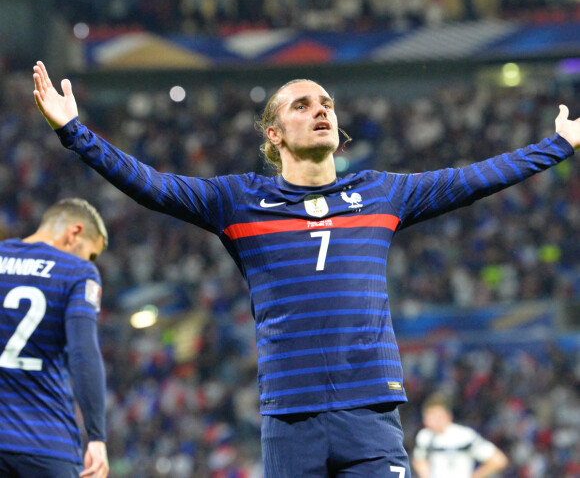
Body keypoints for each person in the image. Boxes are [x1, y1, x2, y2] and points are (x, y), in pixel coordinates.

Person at [32, 61, 580, 478]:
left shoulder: (382, 193)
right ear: (273, 134)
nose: (320, 109)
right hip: (291, 421)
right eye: (301, 106)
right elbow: (153, 185)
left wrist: (557, 146)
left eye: (326, 103)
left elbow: (473, 178)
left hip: (371, 412)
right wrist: (74, 131)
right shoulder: (238, 201)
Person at [0, 197, 110, 478]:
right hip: (48, 443)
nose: (90, 261)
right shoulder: (77, 272)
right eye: (91, 253)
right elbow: (83, 353)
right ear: (73, 234)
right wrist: (97, 436)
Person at [413, 392, 509, 478]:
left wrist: (475, 476)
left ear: (447, 416)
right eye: (427, 417)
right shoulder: (425, 437)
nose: (429, 421)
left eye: (435, 417)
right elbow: (419, 460)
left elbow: (498, 460)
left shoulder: (464, 436)